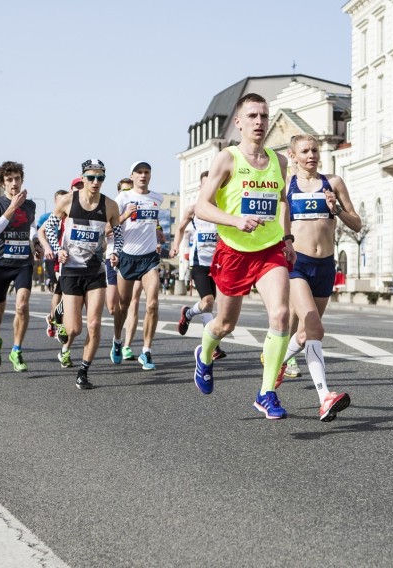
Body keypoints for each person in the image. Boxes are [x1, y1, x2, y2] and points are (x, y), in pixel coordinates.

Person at [192, 92, 296, 420]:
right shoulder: (227, 158)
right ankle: (205, 355)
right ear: (238, 122)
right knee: (225, 323)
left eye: (264, 116)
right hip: (234, 251)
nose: (259, 122)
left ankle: (267, 393)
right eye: (252, 116)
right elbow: (202, 206)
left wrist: (288, 238)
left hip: (269, 250)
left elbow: (282, 200)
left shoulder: (279, 162)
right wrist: (236, 220)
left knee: (281, 315)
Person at [274, 133, 360, 421]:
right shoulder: (286, 186)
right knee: (315, 328)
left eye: (315, 150)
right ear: (293, 155)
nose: (311, 155)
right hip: (297, 264)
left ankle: (273, 365)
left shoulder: (333, 183)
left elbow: (356, 223)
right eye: (305, 151)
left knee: (304, 333)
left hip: (325, 266)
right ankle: (325, 397)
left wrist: (336, 208)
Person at [43, 159, 122, 389]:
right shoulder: (68, 201)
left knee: (95, 324)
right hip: (71, 270)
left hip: (95, 270)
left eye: (100, 178)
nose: (96, 182)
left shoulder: (110, 206)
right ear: (83, 177)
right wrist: (58, 250)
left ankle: (83, 371)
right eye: (91, 177)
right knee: (74, 328)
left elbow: (118, 234)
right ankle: (59, 314)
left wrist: (115, 252)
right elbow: (49, 227)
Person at [0, 161, 40, 371]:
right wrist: (12, 207)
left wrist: (35, 242)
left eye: (17, 178)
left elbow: (32, 227)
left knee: (22, 306)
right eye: (9, 180)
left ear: (22, 180)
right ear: (3, 183)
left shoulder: (30, 205)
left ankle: (16, 350)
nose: (14, 183)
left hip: (23, 263)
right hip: (0, 263)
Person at [110, 161, 164, 370]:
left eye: (146, 172)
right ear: (131, 176)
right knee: (122, 306)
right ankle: (117, 341)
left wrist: (158, 230)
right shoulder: (123, 198)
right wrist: (124, 215)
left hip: (149, 258)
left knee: (152, 304)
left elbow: (153, 221)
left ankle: (146, 351)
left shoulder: (157, 198)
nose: (143, 175)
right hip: (128, 256)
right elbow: (109, 226)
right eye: (139, 172)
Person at [171, 170, 226, 360]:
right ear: (201, 187)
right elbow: (179, 228)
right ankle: (214, 346)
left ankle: (188, 313)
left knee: (208, 305)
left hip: (219, 264)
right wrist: (175, 246)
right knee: (208, 301)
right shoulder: (193, 210)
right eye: (206, 183)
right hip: (199, 263)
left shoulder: (223, 209)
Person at [37, 189, 69, 340]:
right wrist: (46, 248)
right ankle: (57, 321)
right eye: (59, 200)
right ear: (55, 201)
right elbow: (39, 234)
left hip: (67, 257)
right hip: (52, 258)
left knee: (63, 291)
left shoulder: (70, 216)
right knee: (59, 288)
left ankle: (52, 318)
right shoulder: (47, 217)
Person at [105, 177, 133, 316]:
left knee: (128, 301)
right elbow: (105, 229)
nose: (128, 193)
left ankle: (121, 336)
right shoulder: (113, 207)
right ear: (119, 192)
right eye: (125, 190)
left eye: (130, 189)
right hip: (113, 254)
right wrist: (125, 215)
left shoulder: (137, 205)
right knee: (111, 308)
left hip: (131, 256)